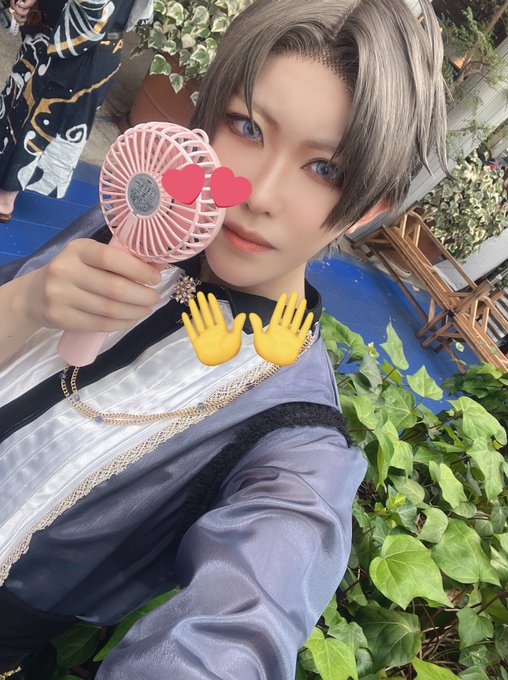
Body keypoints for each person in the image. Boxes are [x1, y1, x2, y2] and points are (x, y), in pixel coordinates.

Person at [0, 0, 447, 677]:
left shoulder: (296, 433)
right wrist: (27, 302)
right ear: (206, 119)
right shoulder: (131, 220)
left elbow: (242, 620)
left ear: (369, 208)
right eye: (247, 127)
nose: (258, 193)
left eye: (325, 168)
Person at [0, 0, 152, 223]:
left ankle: (6, 195)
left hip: (83, 46)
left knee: (42, 120)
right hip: (54, 33)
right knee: (18, 102)